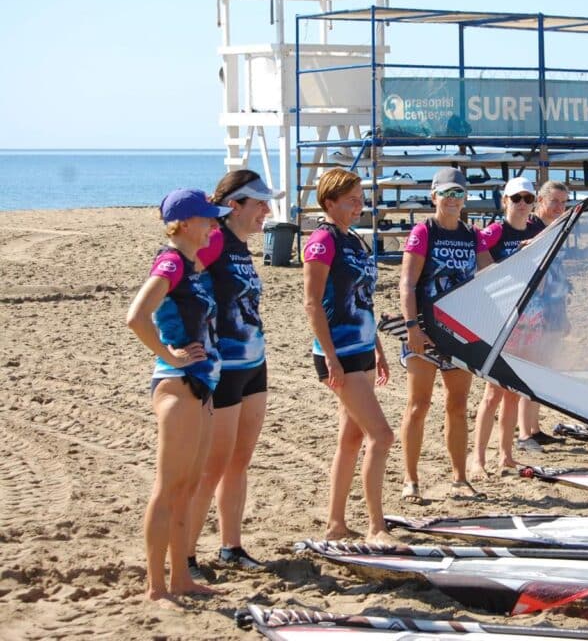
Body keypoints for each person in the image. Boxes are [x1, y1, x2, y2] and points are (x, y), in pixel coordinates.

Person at [126, 189, 232, 604]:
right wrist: (168, 354)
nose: (214, 224)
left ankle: (181, 578)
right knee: (169, 487)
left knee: (187, 486)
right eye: (208, 219)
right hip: (177, 384)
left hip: (200, 385)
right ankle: (156, 585)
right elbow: (136, 316)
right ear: (185, 224)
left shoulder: (190, 265)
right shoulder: (171, 261)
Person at [185, 171, 279, 577]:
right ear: (235, 204)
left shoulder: (240, 245)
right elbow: (178, 280)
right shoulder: (216, 239)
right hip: (221, 368)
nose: (267, 211)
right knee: (213, 466)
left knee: (239, 462)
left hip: (254, 364)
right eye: (260, 203)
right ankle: (185, 556)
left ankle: (231, 546)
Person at [302, 168, 397, 544]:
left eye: (361, 198)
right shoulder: (323, 241)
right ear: (329, 203)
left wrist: (378, 348)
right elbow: (312, 303)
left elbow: (363, 300)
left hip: (362, 349)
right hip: (337, 353)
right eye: (351, 200)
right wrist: (330, 357)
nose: (359, 205)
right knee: (383, 435)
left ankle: (336, 523)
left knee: (351, 439)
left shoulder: (354, 239)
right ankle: (377, 527)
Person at [399, 167, 494, 503]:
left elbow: (491, 276)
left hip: (459, 333)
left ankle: (460, 478)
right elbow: (407, 283)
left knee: (457, 406)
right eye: (447, 194)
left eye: (459, 194)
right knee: (418, 406)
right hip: (423, 331)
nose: (453, 200)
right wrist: (412, 328)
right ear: (434, 196)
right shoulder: (424, 231)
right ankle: (410, 479)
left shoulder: (473, 235)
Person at [468, 177, 545, 476]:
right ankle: (478, 457)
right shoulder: (495, 232)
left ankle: (505, 455)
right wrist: (517, 257)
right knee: (492, 394)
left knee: (513, 391)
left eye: (527, 198)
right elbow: (481, 270)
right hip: (501, 320)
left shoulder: (539, 229)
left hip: (531, 318)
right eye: (516, 199)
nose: (522, 204)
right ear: (505, 201)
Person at [515, 180, 571, 450]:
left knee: (542, 368)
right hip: (534, 310)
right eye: (555, 201)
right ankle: (524, 432)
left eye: (564, 202)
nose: (559, 207)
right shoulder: (531, 228)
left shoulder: (558, 229)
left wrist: (564, 313)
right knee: (530, 369)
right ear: (540, 200)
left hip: (555, 306)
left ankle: (534, 428)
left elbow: (560, 275)